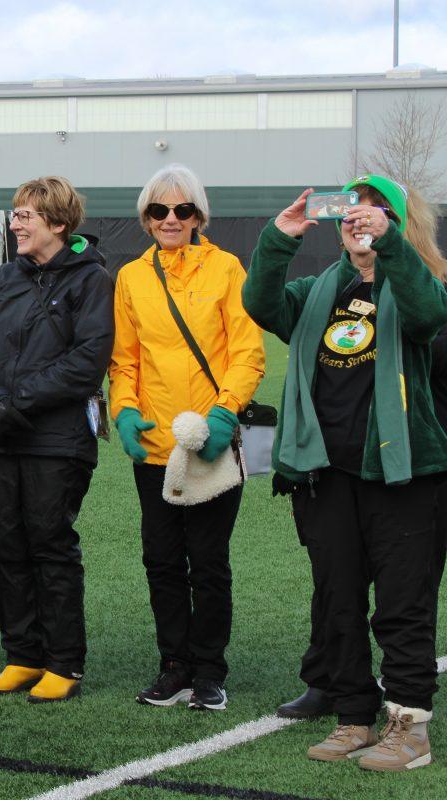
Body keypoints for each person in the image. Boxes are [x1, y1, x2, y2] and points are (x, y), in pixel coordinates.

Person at [243, 176, 447, 770]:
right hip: (324, 472)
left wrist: (390, 249)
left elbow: (428, 313)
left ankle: (409, 727)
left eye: (376, 211)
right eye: (351, 212)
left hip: (404, 474)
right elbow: (260, 304)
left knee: (403, 606)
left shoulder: (417, 285)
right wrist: (278, 240)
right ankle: (354, 716)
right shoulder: (316, 290)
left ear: (397, 222)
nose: (359, 220)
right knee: (338, 600)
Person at [109, 163, 265, 712]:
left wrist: (224, 415)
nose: (170, 219)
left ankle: (210, 672)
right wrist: (124, 411)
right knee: (162, 560)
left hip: (212, 444)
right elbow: (124, 360)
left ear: (199, 215)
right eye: (159, 210)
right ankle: (173, 665)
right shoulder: (130, 277)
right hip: (155, 448)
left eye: (182, 210)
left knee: (209, 560)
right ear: (146, 219)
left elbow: (247, 352)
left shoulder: (226, 269)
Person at [0, 176, 114, 702]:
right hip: (2, 436)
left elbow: (86, 362)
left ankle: (63, 663)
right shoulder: (8, 276)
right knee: (7, 545)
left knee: (51, 547)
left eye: (25, 215)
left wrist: (17, 401)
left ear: (57, 222)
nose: (15, 223)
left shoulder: (91, 280)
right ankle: (22, 656)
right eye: (14, 214)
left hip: (57, 440)